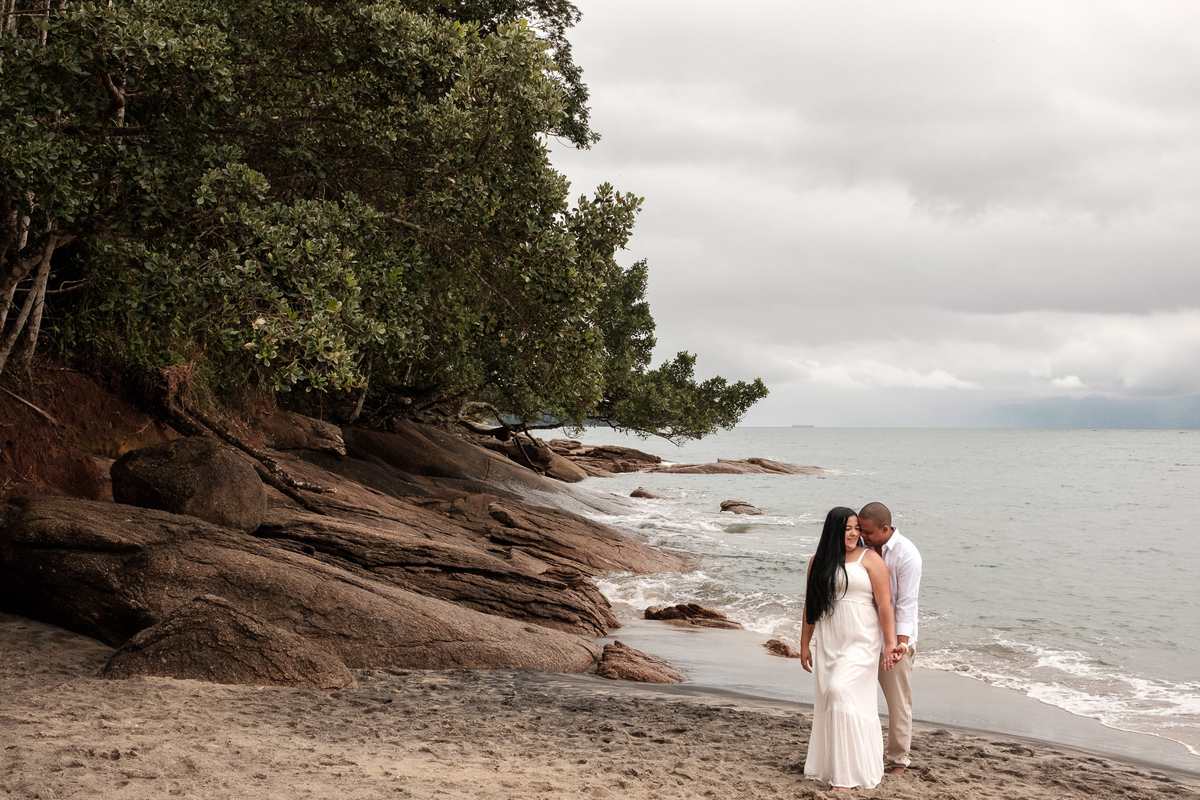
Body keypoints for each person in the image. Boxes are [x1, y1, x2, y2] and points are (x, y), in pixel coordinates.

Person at [801, 507, 904, 791]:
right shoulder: (817, 562)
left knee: (840, 691)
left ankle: (846, 777)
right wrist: (804, 644)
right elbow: (811, 605)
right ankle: (836, 768)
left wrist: (890, 643)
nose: (854, 533)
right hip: (830, 642)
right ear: (833, 530)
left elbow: (885, 604)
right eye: (848, 528)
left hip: (862, 641)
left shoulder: (869, 559)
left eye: (857, 528)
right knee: (834, 699)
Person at [858, 501, 923, 776]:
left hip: (896, 639)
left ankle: (898, 761)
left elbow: (906, 604)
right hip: (863, 634)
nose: (863, 536)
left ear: (885, 529)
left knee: (898, 702)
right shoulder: (860, 546)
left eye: (868, 532)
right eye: (860, 530)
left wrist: (900, 645)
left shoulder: (907, 555)